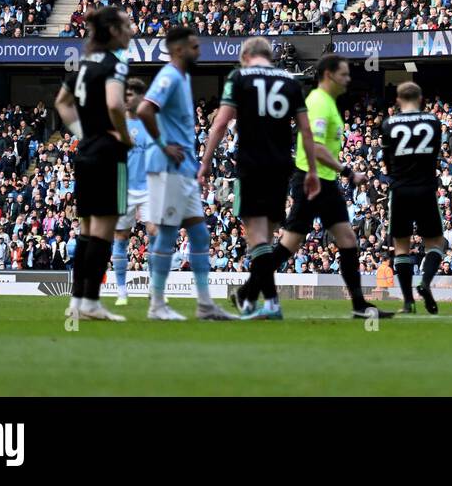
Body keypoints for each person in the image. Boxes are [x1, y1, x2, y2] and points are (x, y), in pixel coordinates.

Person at [200, 36, 319, 320]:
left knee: (257, 236)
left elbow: (220, 124)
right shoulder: (290, 81)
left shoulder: (239, 77)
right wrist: (312, 169)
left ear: (246, 57)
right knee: (266, 234)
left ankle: (272, 304)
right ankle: (251, 301)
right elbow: (305, 129)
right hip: (281, 166)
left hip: (251, 163)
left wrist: (205, 162)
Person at [273, 54, 392, 320]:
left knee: (348, 240)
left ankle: (360, 306)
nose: (348, 79)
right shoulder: (317, 102)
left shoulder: (328, 103)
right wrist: (348, 171)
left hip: (325, 181)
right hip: (311, 180)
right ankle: (249, 288)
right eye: (343, 74)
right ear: (328, 75)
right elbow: (314, 147)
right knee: (291, 243)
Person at [138, 26, 234, 321]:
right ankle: (157, 305)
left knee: (200, 234)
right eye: (194, 46)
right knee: (167, 233)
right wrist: (165, 145)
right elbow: (144, 109)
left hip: (183, 170)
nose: (199, 51)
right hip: (168, 168)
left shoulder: (183, 77)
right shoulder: (168, 76)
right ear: (178, 49)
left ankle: (204, 304)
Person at [53, 5, 136, 322]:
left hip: (86, 152)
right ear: (113, 31)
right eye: (126, 26)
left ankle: (77, 302)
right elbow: (115, 103)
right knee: (104, 229)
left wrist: (83, 131)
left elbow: (61, 102)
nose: (131, 31)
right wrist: (124, 136)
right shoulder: (116, 64)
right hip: (107, 153)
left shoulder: (83, 63)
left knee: (86, 229)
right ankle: (90, 302)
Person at [379, 81, 450, 314]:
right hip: (425, 188)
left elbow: (387, 162)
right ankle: (425, 282)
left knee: (401, 246)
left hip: (400, 190)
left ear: (398, 101)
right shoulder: (432, 121)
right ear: (420, 100)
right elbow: (435, 152)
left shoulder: (388, 124)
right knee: (436, 243)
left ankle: (408, 302)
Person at [111, 78, 155, 306]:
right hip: (124, 188)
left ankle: (155, 288)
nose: (126, 98)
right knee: (120, 237)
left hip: (149, 188)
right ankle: (121, 290)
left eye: (130, 95)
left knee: (155, 234)